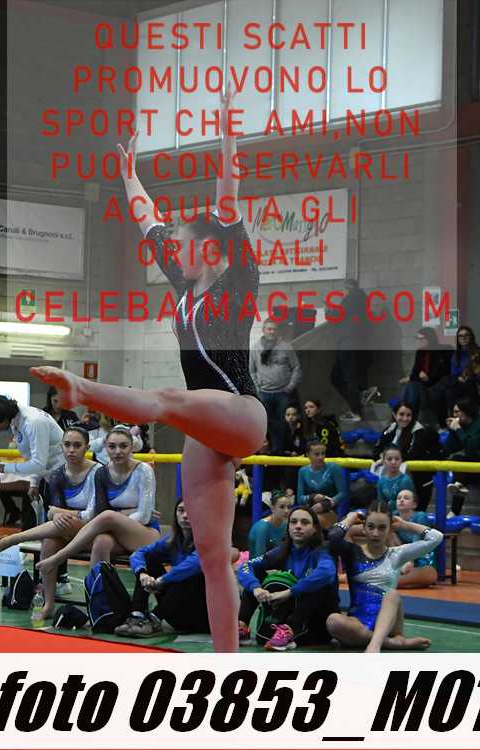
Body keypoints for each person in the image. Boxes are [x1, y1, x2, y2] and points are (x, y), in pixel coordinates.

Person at [28, 86, 266, 652]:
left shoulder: (238, 278)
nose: (174, 251)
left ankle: (82, 388)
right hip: (205, 426)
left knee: (163, 400)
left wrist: (228, 134)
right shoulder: (185, 284)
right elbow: (148, 223)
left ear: (213, 249)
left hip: (241, 411)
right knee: (213, 555)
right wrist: (130, 175)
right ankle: (227, 666)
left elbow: (228, 193)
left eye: (185, 245)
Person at [0, 425, 100, 619]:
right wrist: (56, 514)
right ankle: (48, 604)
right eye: (67, 445)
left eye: (77, 445)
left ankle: (12, 539)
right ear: (61, 447)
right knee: (49, 542)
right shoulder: (57, 474)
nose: (71, 450)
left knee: (66, 523)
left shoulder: (98, 472)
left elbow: (93, 514)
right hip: (67, 531)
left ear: (87, 447)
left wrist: (59, 513)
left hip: (94, 533)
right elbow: (52, 512)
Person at [0, 394, 71, 592]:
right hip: (48, 477)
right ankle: (50, 577)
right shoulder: (17, 422)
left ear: (2, 417)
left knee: (56, 530)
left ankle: (61, 580)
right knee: (40, 526)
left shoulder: (33, 422)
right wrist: (34, 483)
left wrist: (4, 468)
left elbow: (39, 462)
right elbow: (34, 457)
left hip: (62, 480)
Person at [35, 426, 159, 569]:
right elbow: (98, 512)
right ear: (106, 448)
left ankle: (59, 557)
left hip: (144, 532)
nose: (117, 451)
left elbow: (144, 517)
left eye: (123, 446)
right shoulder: (102, 472)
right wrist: (122, 515)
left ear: (132, 447)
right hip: (110, 531)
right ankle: (95, 585)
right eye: (112, 447)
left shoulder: (144, 471)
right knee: (101, 542)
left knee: (107, 516)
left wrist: (114, 519)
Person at [327, 504, 443, 652]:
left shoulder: (396, 554)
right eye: (371, 527)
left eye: (382, 528)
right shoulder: (352, 552)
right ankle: (393, 643)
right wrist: (350, 519)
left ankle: (374, 645)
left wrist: (405, 525)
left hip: (391, 624)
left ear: (390, 529)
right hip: (358, 624)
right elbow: (332, 537)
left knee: (391, 594)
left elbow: (436, 538)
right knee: (333, 621)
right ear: (364, 528)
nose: (375, 533)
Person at [238, 506, 340, 650]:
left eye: (305, 522)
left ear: (314, 529)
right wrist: (256, 588)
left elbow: (327, 573)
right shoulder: (281, 551)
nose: (298, 526)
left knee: (317, 582)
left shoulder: (323, 551)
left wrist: (290, 592)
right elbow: (246, 565)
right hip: (286, 617)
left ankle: (290, 630)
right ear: (288, 527)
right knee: (256, 573)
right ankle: (242, 626)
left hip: (316, 625)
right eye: (293, 522)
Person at [116, 498, 211, 638]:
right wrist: (142, 574)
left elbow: (193, 564)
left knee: (192, 574)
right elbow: (139, 553)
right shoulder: (172, 540)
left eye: (191, 511)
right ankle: (137, 615)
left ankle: (154, 620)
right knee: (150, 559)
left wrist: (162, 580)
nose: (185, 516)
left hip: (202, 617)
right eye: (181, 510)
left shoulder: (209, 541)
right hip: (175, 612)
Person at [373, 402, 440, 510]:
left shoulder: (419, 431)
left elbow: (414, 455)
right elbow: (376, 450)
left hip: (419, 481)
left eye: (408, 415)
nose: (405, 418)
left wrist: (386, 457)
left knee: (414, 515)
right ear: (394, 414)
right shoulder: (389, 429)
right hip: (392, 479)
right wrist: (381, 456)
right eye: (401, 414)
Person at [249, 318, 301, 453]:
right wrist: (257, 388)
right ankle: (270, 451)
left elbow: (296, 367)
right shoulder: (255, 348)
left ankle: (282, 451)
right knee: (266, 424)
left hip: (283, 393)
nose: (271, 332)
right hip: (264, 393)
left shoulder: (286, 347)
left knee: (283, 424)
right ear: (263, 330)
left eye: (274, 329)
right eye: (269, 329)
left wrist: (290, 386)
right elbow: (252, 370)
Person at [443, 398, 480, 515]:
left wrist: (458, 430)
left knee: (458, 461)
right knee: (457, 466)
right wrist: (452, 430)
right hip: (471, 468)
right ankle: (458, 491)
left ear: (466, 411)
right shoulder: (462, 425)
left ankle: (455, 510)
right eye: (453, 412)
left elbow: (471, 449)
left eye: (457, 412)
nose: (455, 415)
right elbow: (449, 449)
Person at [329, 278, 372, 423]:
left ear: (348, 288)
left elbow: (336, 315)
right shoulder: (364, 301)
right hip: (361, 344)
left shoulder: (349, 300)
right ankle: (359, 401)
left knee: (342, 378)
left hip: (347, 343)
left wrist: (329, 310)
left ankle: (356, 410)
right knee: (350, 377)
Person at [399, 327, 451, 423]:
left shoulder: (441, 351)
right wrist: (418, 376)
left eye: (422, 339)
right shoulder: (420, 352)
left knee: (411, 388)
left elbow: (442, 372)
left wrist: (427, 377)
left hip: (436, 383)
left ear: (430, 338)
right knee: (410, 387)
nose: (420, 341)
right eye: (418, 339)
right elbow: (414, 373)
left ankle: (408, 419)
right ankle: (408, 419)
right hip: (422, 383)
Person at [446, 326, 480, 413]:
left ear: (471, 337)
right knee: (448, 390)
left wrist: (479, 376)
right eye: (460, 336)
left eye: (466, 335)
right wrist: (459, 378)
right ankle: (453, 418)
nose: (463, 338)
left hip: (478, 386)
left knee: (468, 385)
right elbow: (453, 373)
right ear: (458, 339)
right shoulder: (456, 356)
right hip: (460, 385)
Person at [393, 489, 438, 589]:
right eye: (399, 498)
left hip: (420, 556)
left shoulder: (420, 516)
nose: (401, 500)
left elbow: (417, 542)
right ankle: (395, 581)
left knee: (429, 574)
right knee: (389, 532)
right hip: (403, 558)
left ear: (414, 504)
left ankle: (392, 582)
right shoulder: (394, 516)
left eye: (406, 498)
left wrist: (410, 560)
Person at [296, 440, 348, 511]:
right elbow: (299, 499)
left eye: (323, 453)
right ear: (308, 455)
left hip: (330, 510)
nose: (321, 457)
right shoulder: (302, 471)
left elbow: (343, 493)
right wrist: (312, 497)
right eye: (316, 454)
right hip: (310, 510)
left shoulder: (333, 468)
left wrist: (326, 504)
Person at [247, 490, 291, 558]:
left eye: (289, 507)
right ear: (272, 508)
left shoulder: (286, 525)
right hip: (259, 563)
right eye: (282, 507)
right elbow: (260, 558)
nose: (286, 511)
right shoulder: (262, 528)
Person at [376, 446, 415, 512]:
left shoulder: (405, 480)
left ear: (401, 461)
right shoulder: (381, 481)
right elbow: (380, 503)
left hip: (403, 514)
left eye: (397, 459)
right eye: (389, 459)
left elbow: (408, 506)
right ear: (384, 461)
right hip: (387, 514)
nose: (393, 462)